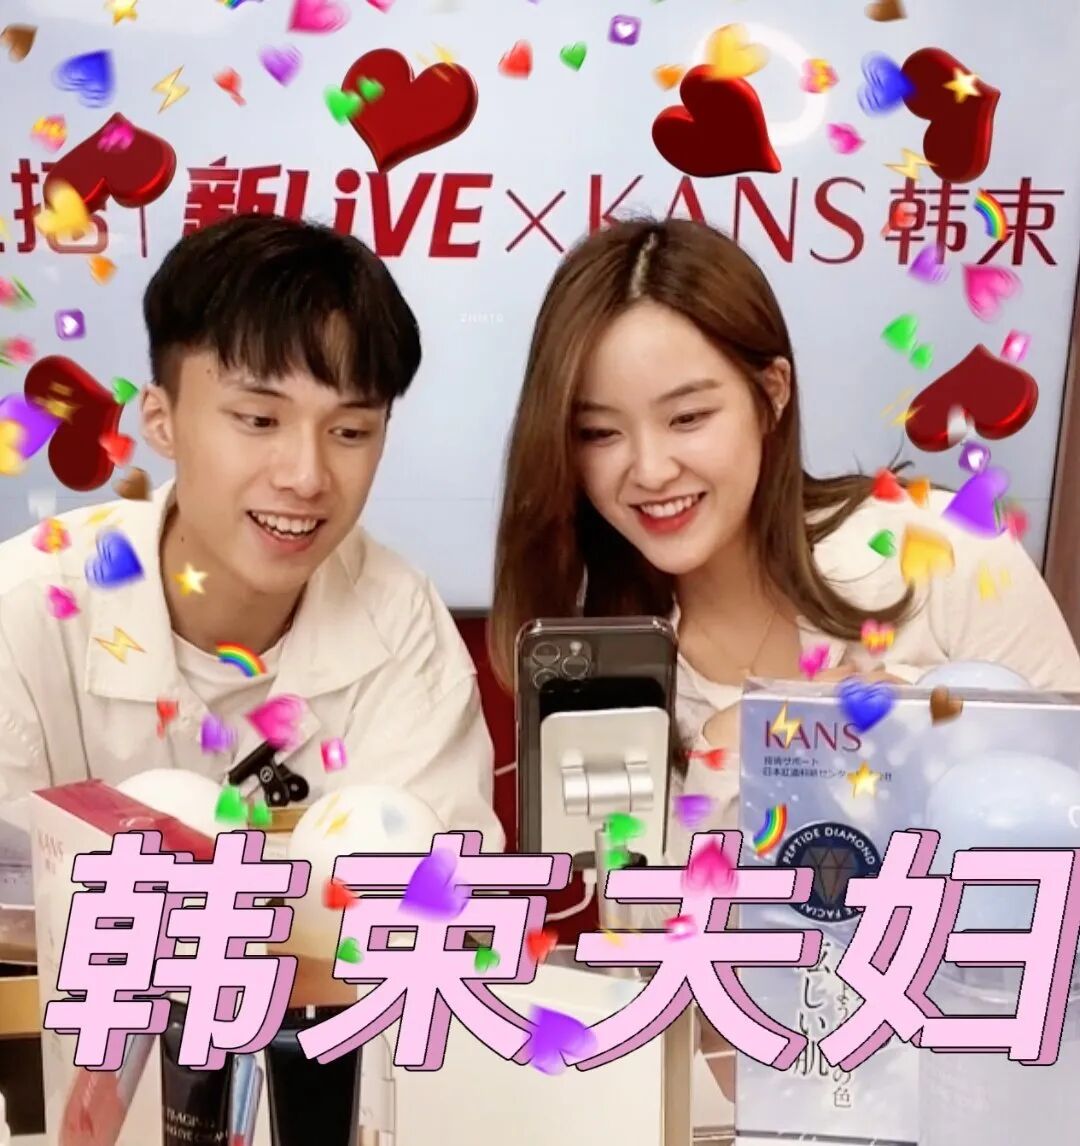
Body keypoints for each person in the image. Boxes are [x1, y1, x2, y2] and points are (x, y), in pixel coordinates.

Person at [488, 216, 1080, 1093]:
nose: (648, 469)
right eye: (599, 433)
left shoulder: (941, 553)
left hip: (1001, 1083)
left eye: (689, 417)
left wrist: (918, 728)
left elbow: (1059, 815)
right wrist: (732, 749)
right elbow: (652, 977)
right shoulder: (602, 677)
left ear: (771, 393)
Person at [0, 214, 503, 849]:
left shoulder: (401, 624)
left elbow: (434, 891)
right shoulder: (24, 609)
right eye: (260, 420)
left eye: (350, 431)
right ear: (161, 420)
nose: (306, 476)